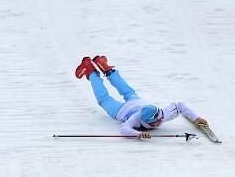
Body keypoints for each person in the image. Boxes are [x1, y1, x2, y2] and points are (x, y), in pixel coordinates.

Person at [75, 55, 208, 138]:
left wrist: (196, 118)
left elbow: (179, 105)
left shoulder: (162, 114)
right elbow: (124, 129)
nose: (161, 121)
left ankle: (106, 69)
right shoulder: (136, 118)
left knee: (127, 92)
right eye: (157, 122)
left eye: (161, 117)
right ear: (147, 122)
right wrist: (139, 134)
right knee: (105, 99)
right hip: (122, 110)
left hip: (138, 102)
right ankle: (93, 71)